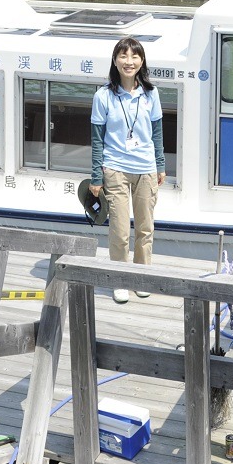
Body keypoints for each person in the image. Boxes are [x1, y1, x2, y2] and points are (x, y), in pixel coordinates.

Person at [90, 36, 166, 304]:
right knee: (120, 231)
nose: (129, 62)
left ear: (142, 61)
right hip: (115, 169)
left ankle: (141, 277)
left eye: (134, 56)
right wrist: (96, 177)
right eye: (123, 56)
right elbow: (97, 139)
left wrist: (161, 165)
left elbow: (157, 134)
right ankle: (120, 279)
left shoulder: (151, 94)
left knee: (145, 229)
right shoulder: (103, 96)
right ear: (115, 60)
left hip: (146, 169)